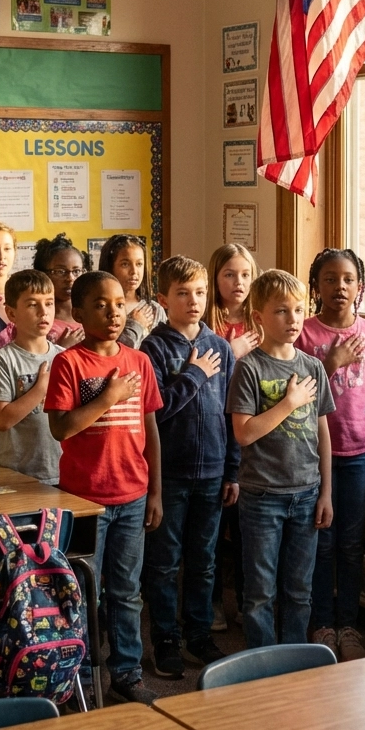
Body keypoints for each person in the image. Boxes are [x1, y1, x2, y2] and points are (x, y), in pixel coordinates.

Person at [45, 270, 163, 704]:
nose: (113, 313)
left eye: (118, 304)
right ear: (77, 313)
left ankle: (126, 672)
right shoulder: (68, 363)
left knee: (127, 591)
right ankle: (76, 673)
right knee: (81, 592)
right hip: (85, 501)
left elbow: (151, 430)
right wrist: (107, 398)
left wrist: (155, 492)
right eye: (100, 304)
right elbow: (62, 428)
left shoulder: (139, 361)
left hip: (132, 496)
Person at [141, 256, 238, 678]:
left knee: (204, 559)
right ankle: (165, 638)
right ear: (163, 299)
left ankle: (198, 633)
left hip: (213, 471)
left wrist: (233, 470)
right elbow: (156, 412)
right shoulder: (154, 348)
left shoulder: (219, 346)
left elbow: (233, 411)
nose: (193, 300)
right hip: (172, 473)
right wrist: (194, 375)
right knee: (164, 562)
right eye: (182, 293)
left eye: (199, 292)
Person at [226, 269, 334, 648]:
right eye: (281, 312)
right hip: (261, 497)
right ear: (259, 317)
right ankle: (262, 664)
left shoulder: (312, 366)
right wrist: (289, 403)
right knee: (259, 594)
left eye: (299, 310)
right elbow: (244, 432)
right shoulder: (249, 368)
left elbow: (322, 431)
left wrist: (326, 493)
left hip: (306, 493)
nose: (293, 320)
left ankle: (293, 664)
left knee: (300, 590)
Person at [298, 248, 365, 660]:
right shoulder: (303, 334)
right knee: (320, 541)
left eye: (348, 279)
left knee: (351, 543)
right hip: (312, 455)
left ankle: (348, 625)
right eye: (331, 279)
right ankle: (321, 622)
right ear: (316, 285)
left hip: (359, 453)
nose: (340, 287)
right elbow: (292, 400)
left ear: (360, 286)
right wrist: (331, 363)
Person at [204, 243, 259, 629]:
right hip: (212, 429)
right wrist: (229, 350)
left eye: (244, 275)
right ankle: (210, 605)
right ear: (215, 278)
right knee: (209, 532)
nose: (237, 282)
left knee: (244, 533)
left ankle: (243, 601)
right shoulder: (208, 323)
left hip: (253, 433)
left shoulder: (260, 320)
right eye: (228, 274)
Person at [0, 269, 63, 485]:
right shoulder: (3, 359)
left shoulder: (64, 357)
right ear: (11, 314)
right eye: (32, 304)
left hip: (61, 472)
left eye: (49, 303)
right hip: (16, 476)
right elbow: (2, 420)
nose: (43, 312)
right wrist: (40, 389)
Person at [98, 234, 165, 349]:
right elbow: (105, 351)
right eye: (125, 264)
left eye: (139, 264)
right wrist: (135, 325)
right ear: (110, 266)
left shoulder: (154, 310)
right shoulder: (100, 308)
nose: (134, 271)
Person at [33, 233, 88, 346]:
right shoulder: (38, 318)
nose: (70, 279)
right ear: (43, 274)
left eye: (76, 271)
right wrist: (62, 348)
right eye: (60, 272)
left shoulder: (91, 312)